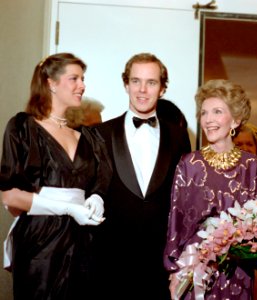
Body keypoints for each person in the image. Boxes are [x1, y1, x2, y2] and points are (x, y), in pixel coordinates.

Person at [0, 53, 112, 300]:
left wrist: (96, 198)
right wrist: (68, 209)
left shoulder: (89, 138)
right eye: (74, 79)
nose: (82, 85)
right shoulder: (23, 128)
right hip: (42, 243)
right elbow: (10, 195)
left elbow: (100, 183)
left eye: (83, 79)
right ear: (50, 83)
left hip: (85, 242)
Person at [93, 52, 191, 299]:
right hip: (110, 262)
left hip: (161, 263)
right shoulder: (99, 134)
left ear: (162, 88)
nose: (142, 90)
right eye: (136, 81)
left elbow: (184, 199)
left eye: (151, 82)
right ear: (126, 84)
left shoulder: (179, 137)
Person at [164, 79, 257, 299]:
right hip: (194, 267)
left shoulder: (252, 166)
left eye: (217, 112)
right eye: (204, 113)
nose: (208, 120)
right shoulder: (189, 163)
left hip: (236, 271)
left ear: (235, 119)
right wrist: (175, 268)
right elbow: (176, 222)